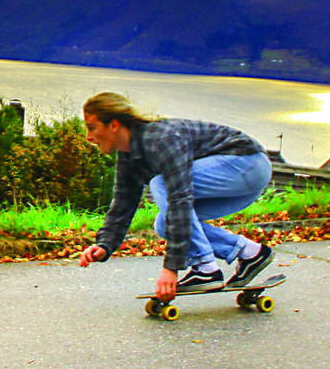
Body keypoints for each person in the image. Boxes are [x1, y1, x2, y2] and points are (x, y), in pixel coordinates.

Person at [77, 92, 274, 302]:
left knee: (160, 183)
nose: (88, 137)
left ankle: (205, 268)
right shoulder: (129, 156)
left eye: (91, 128)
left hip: (247, 164)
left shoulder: (161, 138)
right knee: (164, 224)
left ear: (113, 125)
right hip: (236, 182)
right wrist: (104, 245)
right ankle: (251, 253)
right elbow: (122, 206)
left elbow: (179, 197)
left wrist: (172, 268)